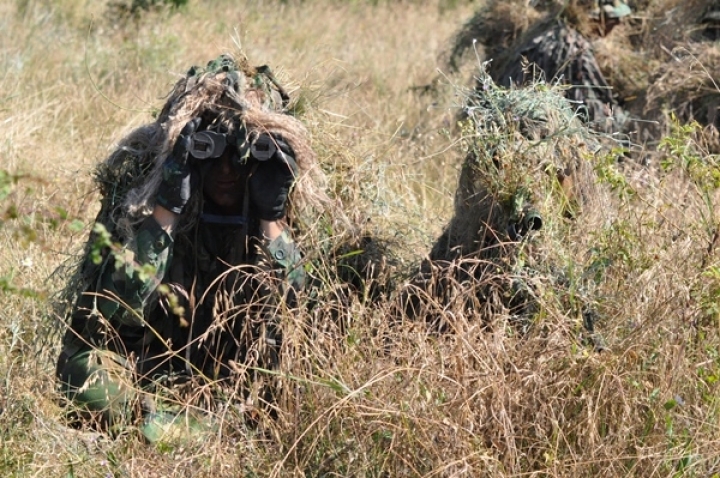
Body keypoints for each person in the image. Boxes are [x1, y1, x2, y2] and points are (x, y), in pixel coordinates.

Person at [55, 54, 313, 440]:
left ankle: (203, 427)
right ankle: (185, 429)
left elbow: (298, 318)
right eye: (210, 150)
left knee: (302, 386)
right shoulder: (138, 200)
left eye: (239, 155)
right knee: (84, 373)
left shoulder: (289, 203)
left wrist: (271, 218)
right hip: (145, 364)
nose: (226, 170)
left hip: (237, 373)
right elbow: (110, 315)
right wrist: (167, 210)